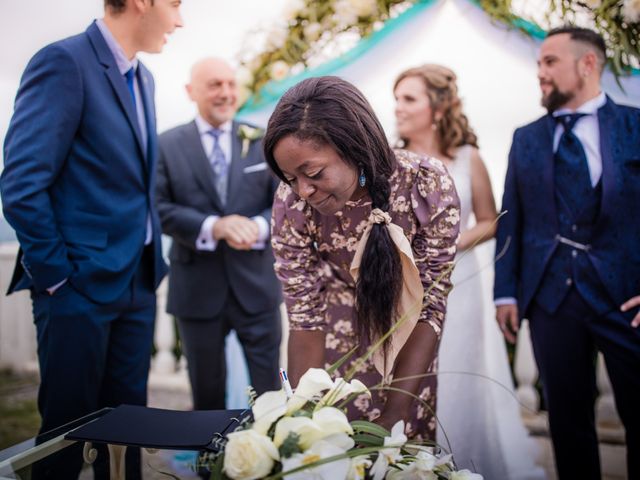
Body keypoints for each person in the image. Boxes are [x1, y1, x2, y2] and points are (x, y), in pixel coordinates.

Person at [0, 1, 182, 478]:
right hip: (76, 289)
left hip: (138, 284)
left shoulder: (144, 78)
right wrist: (58, 276)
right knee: (64, 441)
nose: (180, 19)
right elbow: (21, 185)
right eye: (177, 3)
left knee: (129, 436)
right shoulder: (63, 62)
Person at [265, 76, 460, 440]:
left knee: (399, 455)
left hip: (409, 343)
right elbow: (304, 315)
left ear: (354, 146)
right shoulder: (290, 202)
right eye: (290, 178)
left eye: (313, 173)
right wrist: (301, 413)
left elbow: (431, 306)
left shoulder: (427, 184)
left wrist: (396, 412)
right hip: (331, 339)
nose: (303, 190)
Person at [494, 26, 640, 480]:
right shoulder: (527, 138)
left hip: (627, 300)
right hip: (551, 298)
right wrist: (505, 293)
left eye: (550, 62)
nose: (540, 72)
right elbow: (510, 219)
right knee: (567, 424)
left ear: (588, 64)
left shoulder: (636, 126)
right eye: (539, 63)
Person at [394, 64, 544, 478]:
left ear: (437, 107)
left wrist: (446, 243)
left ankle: (463, 463)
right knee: (408, 373)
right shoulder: (390, 158)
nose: (398, 108)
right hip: (403, 287)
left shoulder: (466, 158)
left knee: (457, 371)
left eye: (409, 98)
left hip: (458, 284)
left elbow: (490, 219)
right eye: (397, 98)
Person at [156, 57, 282, 412]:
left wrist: (257, 227)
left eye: (230, 84)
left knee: (270, 397)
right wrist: (214, 227)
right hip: (197, 289)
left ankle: (267, 466)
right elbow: (157, 206)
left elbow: (286, 204)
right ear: (190, 91)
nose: (226, 93)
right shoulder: (165, 144)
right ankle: (212, 466)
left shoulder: (263, 141)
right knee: (206, 399)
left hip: (257, 288)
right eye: (215, 85)